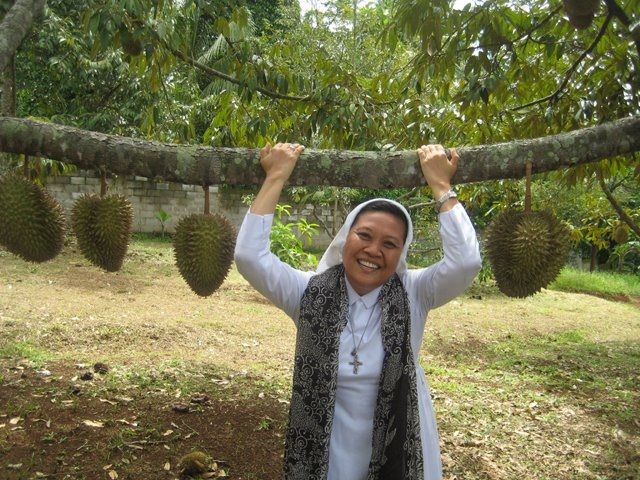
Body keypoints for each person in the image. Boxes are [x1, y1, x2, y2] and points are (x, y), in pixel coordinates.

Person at [234, 142, 481, 480]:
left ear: (400, 254)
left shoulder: (415, 293)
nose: (373, 250)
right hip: (325, 454)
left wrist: (441, 186)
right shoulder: (308, 293)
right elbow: (250, 257)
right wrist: (276, 176)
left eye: (390, 244)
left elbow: (466, 262)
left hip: (398, 452)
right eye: (364, 235)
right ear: (344, 239)